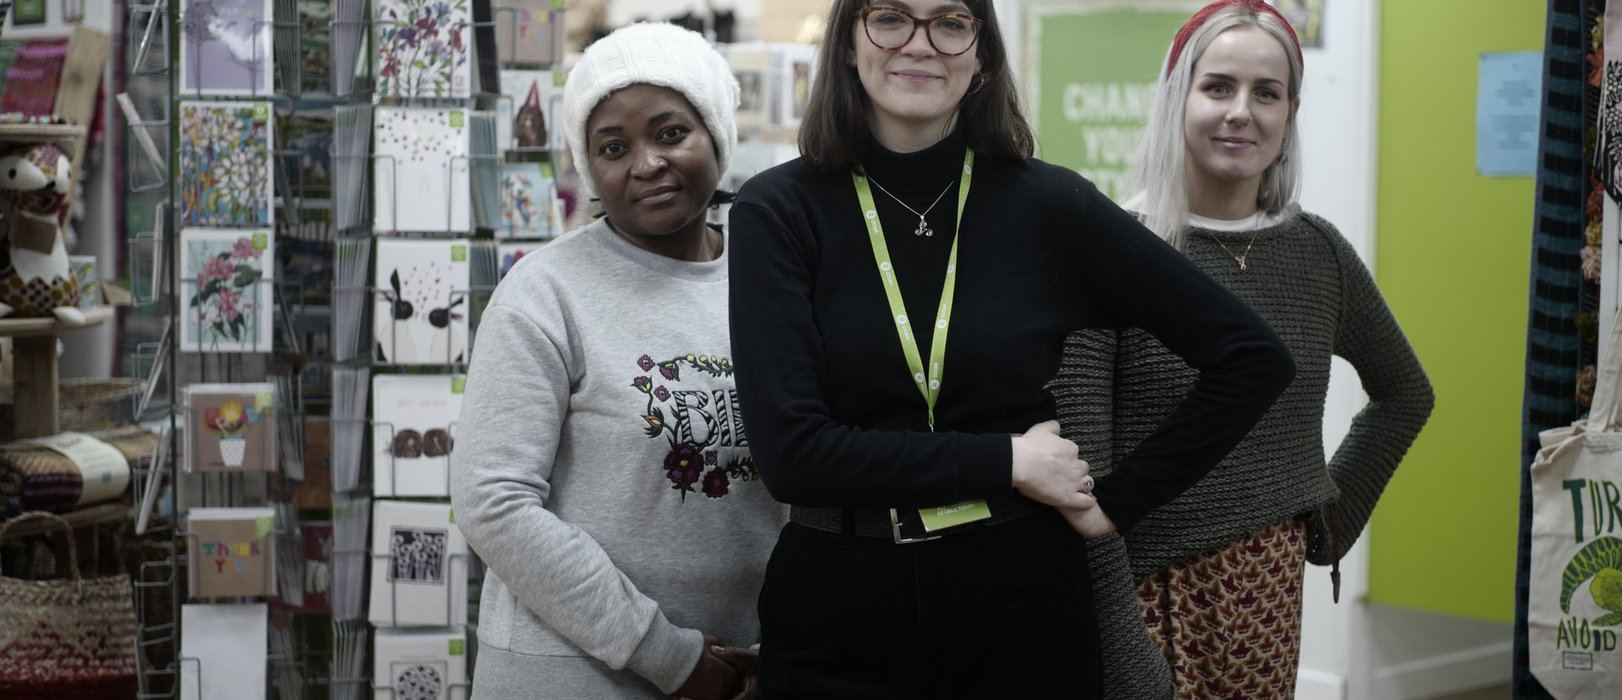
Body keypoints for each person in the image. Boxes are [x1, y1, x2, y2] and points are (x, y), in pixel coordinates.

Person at [725, 0, 1298, 696]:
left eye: (950, 22)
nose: (919, 43)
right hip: (840, 604)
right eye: (891, 17)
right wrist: (1008, 459)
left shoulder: (1049, 205)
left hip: (1019, 601)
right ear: (849, 42)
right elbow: (793, 456)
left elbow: (1252, 357)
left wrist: (1117, 501)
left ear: (982, 53)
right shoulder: (777, 211)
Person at [1050, 1, 1436, 697]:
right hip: (1140, 590)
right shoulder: (1110, 248)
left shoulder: (1319, 254)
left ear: (1290, 116)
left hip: (1267, 592)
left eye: (1267, 93)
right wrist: (1122, 647)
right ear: (1178, 98)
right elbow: (1081, 479)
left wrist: (1327, 515)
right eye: (1218, 86)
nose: (1241, 112)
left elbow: (1405, 393)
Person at [452, 22, 777, 700]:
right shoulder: (544, 292)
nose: (646, 163)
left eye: (670, 132)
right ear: (588, 165)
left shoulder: (777, 276)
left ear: (716, 132)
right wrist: (666, 654)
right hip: (575, 673)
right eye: (612, 146)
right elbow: (493, 501)